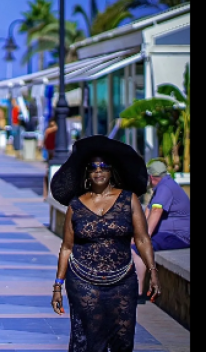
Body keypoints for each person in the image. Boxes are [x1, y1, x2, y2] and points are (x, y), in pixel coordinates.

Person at [49, 135, 160, 352]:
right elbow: (67, 247)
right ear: (87, 173)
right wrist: (57, 286)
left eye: (103, 166)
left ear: (111, 171)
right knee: (90, 342)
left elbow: (142, 238)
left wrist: (153, 270)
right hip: (83, 282)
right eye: (93, 167)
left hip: (122, 281)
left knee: (123, 340)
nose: (98, 171)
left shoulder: (129, 200)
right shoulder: (76, 205)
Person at [131, 160, 190, 303]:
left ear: (151, 177)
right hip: (168, 234)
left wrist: (144, 237)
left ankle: (138, 293)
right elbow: (149, 210)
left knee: (137, 248)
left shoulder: (165, 188)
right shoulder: (163, 186)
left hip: (178, 236)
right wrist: (137, 233)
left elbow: (157, 211)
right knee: (132, 243)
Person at [42, 117, 57, 200]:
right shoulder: (52, 131)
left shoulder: (49, 131)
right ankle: (47, 193)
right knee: (48, 173)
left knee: (48, 173)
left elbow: (45, 142)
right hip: (51, 153)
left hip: (51, 153)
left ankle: (46, 194)